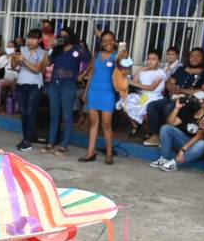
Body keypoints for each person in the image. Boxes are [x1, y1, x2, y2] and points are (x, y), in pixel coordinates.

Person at [143, 48, 204, 146]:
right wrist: (174, 89)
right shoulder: (181, 70)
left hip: (190, 102)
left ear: (203, 59)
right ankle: (155, 135)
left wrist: (182, 91)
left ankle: (168, 137)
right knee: (152, 106)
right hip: (172, 97)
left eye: (198, 55)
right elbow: (169, 83)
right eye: (192, 55)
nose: (194, 58)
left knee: (170, 107)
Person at [81, 31, 125, 164]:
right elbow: (92, 74)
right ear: (101, 43)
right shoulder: (97, 55)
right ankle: (90, 153)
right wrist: (86, 92)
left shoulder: (117, 56)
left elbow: (126, 68)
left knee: (106, 124)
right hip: (94, 91)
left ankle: (109, 153)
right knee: (93, 123)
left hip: (108, 93)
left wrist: (118, 47)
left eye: (111, 40)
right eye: (105, 40)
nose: (108, 43)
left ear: (114, 41)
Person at [44, 26, 89, 156]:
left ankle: (64, 145)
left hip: (69, 84)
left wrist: (83, 74)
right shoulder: (57, 50)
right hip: (54, 84)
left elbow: (91, 62)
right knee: (54, 114)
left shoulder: (78, 49)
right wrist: (49, 49)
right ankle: (51, 143)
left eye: (65, 35)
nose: (62, 37)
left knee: (67, 115)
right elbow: (47, 63)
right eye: (61, 35)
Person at [151, 91, 204, 172]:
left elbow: (199, 136)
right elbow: (171, 123)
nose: (193, 101)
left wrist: (183, 150)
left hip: (195, 146)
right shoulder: (188, 110)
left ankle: (174, 163)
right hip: (183, 141)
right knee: (165, 128)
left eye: (196, 100)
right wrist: (177, 108)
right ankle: (164, 159)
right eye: (192, 98)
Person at [120, 49, 167, 136]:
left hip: (154, 96)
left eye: (154, 59)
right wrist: (140, 70)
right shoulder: (143, 71)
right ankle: (135, 126)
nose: (150, 61)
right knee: (124, 103)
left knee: (145, 111)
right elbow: (134, 81)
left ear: (159, 61)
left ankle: (149, 131)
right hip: (142, 95)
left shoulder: (161, 73)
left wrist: (136, 84)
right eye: (149, 59)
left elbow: (152, 88)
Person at [15, 29, 48, 152]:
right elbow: (14, 66)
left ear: (39, 40)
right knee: (23, 112)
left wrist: (23, 60)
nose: (30, 41)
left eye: (34, 38)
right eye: (29, 38)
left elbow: (36, 70)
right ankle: (26, 138)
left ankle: (27, 141)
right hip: (21, 83)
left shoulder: (42, 53)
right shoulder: (23, 49)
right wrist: (15, 59)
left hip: (34, 85)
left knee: (31, 111)